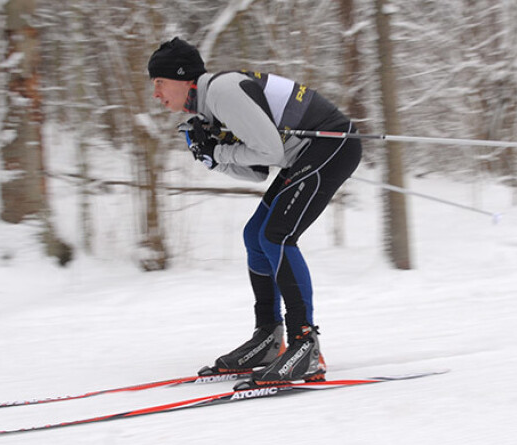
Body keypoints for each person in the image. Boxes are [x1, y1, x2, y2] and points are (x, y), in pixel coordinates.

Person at [148, 37, 362, 386]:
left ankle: (305, 344)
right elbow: (257, 170)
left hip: (331, 144)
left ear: (183, 77)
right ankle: (268, 338)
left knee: (277, 235)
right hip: (306, 153)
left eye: (159, 83)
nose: (156, 94)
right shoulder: (210, 104)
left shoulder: (222, 91)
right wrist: (213, 158)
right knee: (255, 235)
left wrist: (220, 153)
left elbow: (268, 151)